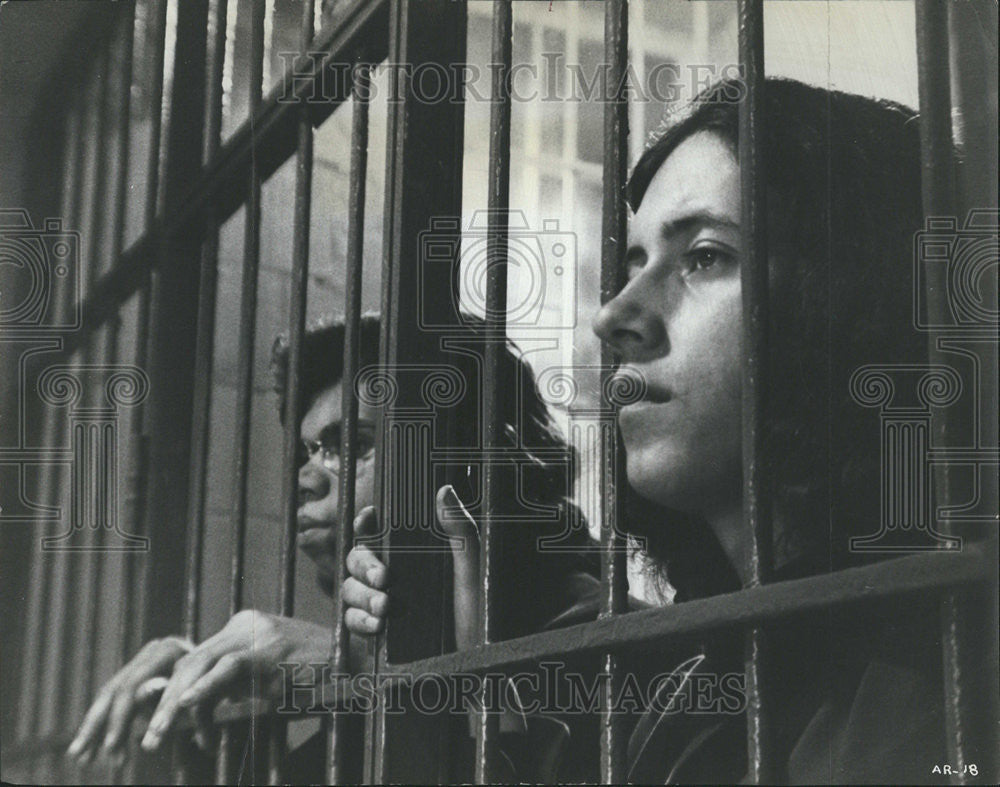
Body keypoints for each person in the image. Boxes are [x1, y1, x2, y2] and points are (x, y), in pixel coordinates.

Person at [345, 77, 955, 783]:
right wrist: (462, 669)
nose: (613, 314)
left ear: (851, 299)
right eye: (634, 262)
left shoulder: (930, 665)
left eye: (704, 256)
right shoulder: (698, 661)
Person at [66, 312, 597, 774]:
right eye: (308, 451)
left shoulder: (605, 636)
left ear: (467, 461)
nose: (305, 477)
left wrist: (366, 676)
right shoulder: (381, 644)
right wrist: (203, 711)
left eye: (353, 446)